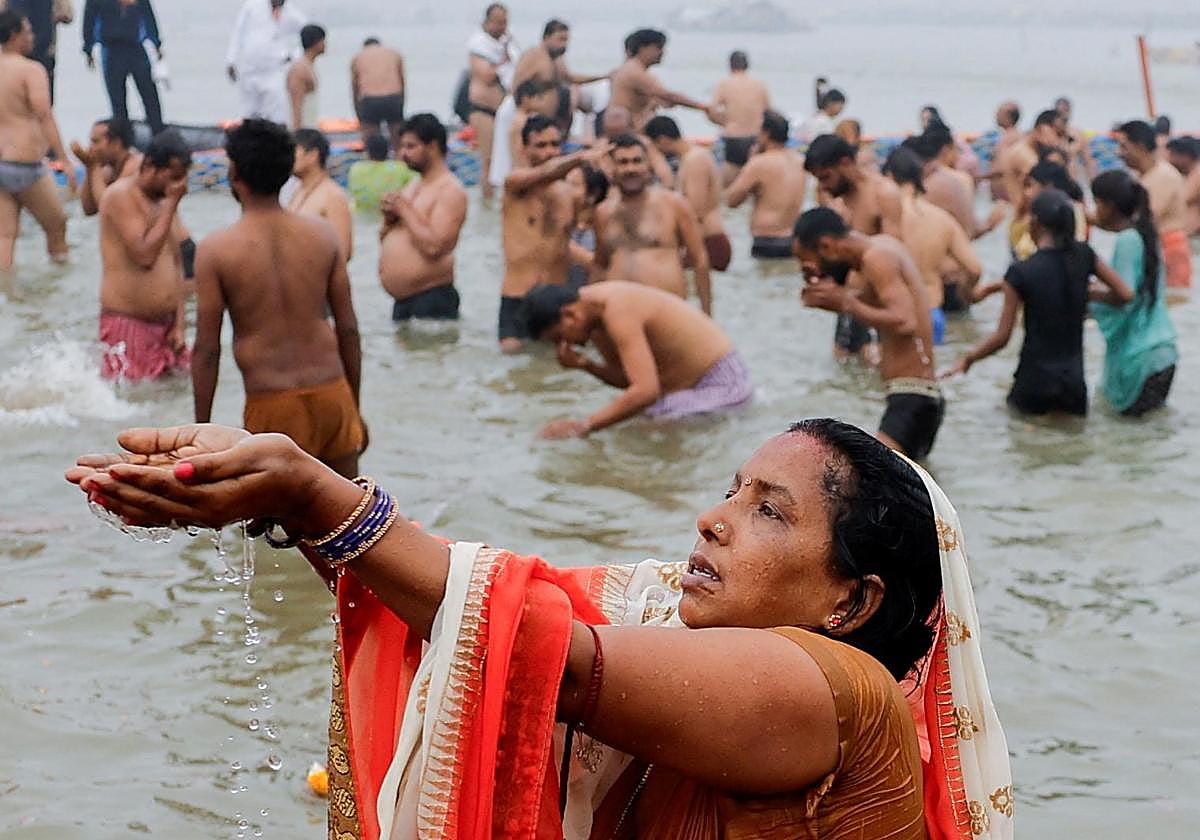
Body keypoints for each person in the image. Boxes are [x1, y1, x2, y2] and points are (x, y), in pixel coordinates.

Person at [68, 419, 1012, 840]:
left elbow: (540, 651)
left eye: (770, 511)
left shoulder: (839, 699)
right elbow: (486, 602)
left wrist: (316, 494)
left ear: (851, 603)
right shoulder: (680, 641)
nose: (713, 519)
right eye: (731, 490)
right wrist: (279, 503)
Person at [191, 119, 364, 478]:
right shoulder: (323, 236)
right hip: (334, 395)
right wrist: (355, 408)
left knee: (277, 529)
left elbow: (208, 350)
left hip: (273, 405)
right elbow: (348, 329)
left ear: (234, 174)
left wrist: (200, 430)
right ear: (287, 171)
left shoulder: (216, 250)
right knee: (347, 522)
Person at [947, 189, 1132, 417]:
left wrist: (969, 358)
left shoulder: (1021, 272)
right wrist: (1087, 293)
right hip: (1073, 386)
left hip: (1033, 382)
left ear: (1034, 223)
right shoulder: (1084, 256)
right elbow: (1124, 294)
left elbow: (1002, 338)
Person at [795, 208, 943, 460]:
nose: (816, 272)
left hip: (911, 397)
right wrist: (833, 296)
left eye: (812, 263)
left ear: (827, 246)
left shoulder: (877, 258)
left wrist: (845, 303)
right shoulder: (882, 247)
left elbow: (905, 321)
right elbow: (874, 307)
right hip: (918, 396)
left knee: (872, 487)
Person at [522, 281, 750, 436]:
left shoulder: (617, 311)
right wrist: (585, 365)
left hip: (723, 383)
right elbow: (630, 381)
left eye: (559, 338)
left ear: (569, 315)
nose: (564, 345)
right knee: (632, 424)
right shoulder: (595, 316)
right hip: (687, 389)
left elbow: (646, 392)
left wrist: (583, 426)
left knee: (641, 430)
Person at [498, 116, 608, 352]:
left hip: (558, 297)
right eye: (541, 145)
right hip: (518, 295)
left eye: (554, 144)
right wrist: (579, 158)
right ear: (524, 148)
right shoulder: (514, 183)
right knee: (511, 365)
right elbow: (547, 173)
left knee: (560, 369)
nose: (550, 151)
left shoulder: (571, 194)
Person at [97, 129, 191, 381]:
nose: (179, 186)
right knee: (136, 404)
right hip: (128, 324)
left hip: (168, 327)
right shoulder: (120, 196)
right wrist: (171, 204)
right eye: (173, 178)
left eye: (182, 178)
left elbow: (176, 263)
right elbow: (144, 256)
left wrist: (180, 323)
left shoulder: (163, 201)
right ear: (149, 166)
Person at [1089, 170, 1178, 417]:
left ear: (1110, 206)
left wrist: (1091, 294)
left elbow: (1125, 294)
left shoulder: (1127, 240)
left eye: (1096, 203)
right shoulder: (1146, 235)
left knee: (1129, 436)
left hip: (1140, 356)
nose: (1094, 211)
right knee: (1147, 438)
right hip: (1164, 351)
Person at [805, 134, 902, 359]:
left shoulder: (883, 194)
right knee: (843, 364)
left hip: (878, 301)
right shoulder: (836, 202)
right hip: (848, 300)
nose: (823, 186)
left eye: (826, 177)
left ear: (846, 163)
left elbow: (893, 254)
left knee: (875, 364)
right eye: (818, 180)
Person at [592, 135, 713, 314]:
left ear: (648, 166)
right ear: (612, 168)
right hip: (621, 314)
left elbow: (700, 259)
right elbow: (600, 265)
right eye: (623, 162)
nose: (630, 168)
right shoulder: (603, 213)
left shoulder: (674, 205)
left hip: (667, 312)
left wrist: (706, 314)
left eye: (636, 161)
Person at [883, 147, 981, 345]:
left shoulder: (883, 217)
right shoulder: (942, 219)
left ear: (889, 175)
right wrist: (966, 293)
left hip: (895, 312)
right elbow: (975, 268)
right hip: (932, 312)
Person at [0, 9, 74, 272]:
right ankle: (59, 286)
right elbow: (44, 115)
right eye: (27, 31)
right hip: (26, 164)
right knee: (57, 226)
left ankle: (6, 299)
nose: (32, 36)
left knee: (5, 237)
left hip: (1, 164)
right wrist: (64, 159)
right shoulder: (31, 69)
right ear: (14, 36)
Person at [379, 113, 468, 323]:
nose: (403, 154)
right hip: (404, 301)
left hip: (432, 298)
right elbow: (386, 239)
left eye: (411, 147)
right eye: (402, 147)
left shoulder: (450, 190)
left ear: (432, 147)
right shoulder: (412, 186)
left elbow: (435, 247)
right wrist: (389, 220)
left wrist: (404, 210)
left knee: (429, 355)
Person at [645, 115, 731, 274]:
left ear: (663, 140)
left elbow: (695, 209)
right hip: (705, 241)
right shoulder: (690, 158)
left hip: (709, 241)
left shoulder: (694, 160)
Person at [1116, 119, 1191, 297]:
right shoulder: (1139, 176)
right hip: (1150, 250)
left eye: (1124, 147)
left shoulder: (1164, 176)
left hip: (1169, 251)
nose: (1119, 153)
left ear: (1139, 147)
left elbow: (1144, 220)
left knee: (1172, 304)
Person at [726, 110, 807, 261]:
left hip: (766, 241)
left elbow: (732, 200)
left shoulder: (760, 163)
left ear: (766, 134)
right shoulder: (800, 161)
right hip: (794, 239)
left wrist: (750, 162)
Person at [509, 19, 606, 133]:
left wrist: (602, 77)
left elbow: (570, 79)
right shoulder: (533, 56)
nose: (564, 44)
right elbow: (517, 86)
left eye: (566, 40)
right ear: (546, 37)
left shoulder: (557, 58)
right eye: (560, 39)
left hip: (556, 120)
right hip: (536, 121)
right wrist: (525, 116)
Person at [82, 0, 164, 134]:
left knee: (150, 94)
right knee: (118, 100)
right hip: (111, 50)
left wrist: (156, 43)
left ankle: (158, 131)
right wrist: (88, 48)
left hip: (136, 48)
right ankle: (123, 137)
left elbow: (148, 16)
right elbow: (88, 20)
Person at [607, 28, 713, 131]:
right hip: (629, 132)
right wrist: (704, 107)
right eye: (658, 47)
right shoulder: (635, 72)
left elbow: (664, 100)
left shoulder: (632, 70)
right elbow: (670, 96)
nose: (662, 52)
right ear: (642, 48)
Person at [466, 2, 518, 199]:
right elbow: (487, 75)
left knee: (505, 160)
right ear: (487, 22)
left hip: (505, 110)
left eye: (504, 22)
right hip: (483, 109)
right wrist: (504, 58)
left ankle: (502, 201)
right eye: (497, 22)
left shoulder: (509, 44)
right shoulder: (478, 45)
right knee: (487, 160)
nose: (502, 27)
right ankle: (486, 202)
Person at [225, 0, 307, 124]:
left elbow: (308, 33)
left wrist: (294, 55)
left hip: (274, 70)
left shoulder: (292, 13)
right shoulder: (252, 6)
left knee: (275, 112)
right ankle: (249, 141)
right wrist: (231, 60)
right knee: (249, 112)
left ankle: (274, 140)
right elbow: (238, 33)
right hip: (250, 68)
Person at [288, 128, 352, 262]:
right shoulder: (298, 192)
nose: (287, 159)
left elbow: (343, 252)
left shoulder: (333, 195)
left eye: (292, 152)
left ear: (312, 155)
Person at [995, 109, 1062, 228]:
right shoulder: (1024, 155)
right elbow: (1044, 186)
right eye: (1056, 133)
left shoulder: (1030, 150)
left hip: (1025, 221)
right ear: (1042, 128)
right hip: (1025, 223)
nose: (1057, 140)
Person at [1009, 159, 1086, 261]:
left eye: (1030, 185)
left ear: (1048, 187)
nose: (1026, 193)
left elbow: (1024, 251)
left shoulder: (1072, 211)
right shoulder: (1030, 211)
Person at [712, 50, 770, 186]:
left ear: (730, 65)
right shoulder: (759, 85)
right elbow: (769, 113)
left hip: (734, 138)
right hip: (755, 138)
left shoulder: (725, 84)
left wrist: (724, 123)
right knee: (755, 182)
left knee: (729, 184)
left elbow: (712, 110)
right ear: (747, 65)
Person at [489, 77, 556, 188]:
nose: (543, 102)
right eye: (539, 98)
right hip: (514, 176)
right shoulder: (521, 122)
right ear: (526, 99)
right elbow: (519, 153)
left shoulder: (517, 118)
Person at [8, 0, 73, 102]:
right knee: (40, 103)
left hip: (17, 54)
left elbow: (66, 14)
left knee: (16, 103)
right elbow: (66, 13)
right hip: (40, 53)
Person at [351, 37, 405, 151]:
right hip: (393, 97)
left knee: (371, 139)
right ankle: (400, 160)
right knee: (397, 139)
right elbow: (402, 82)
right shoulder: (394, 54)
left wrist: (359, 114)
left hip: (370, 99)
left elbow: (355, 88)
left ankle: (373, 160)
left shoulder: (358, 57)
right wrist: (401, 103)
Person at [347, 132, 415, 212]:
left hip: (362, 216)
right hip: (395, 214)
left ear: (367, 152)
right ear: (388, 151)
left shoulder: (356, 168)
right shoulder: (401, 168)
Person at [286, 23, 324, 129]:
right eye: (323, 40)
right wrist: (298, 135)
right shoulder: (299, 69)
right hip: (303, 131)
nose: (325, 44)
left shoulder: (309, 65)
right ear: (316, 42)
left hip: (311, 128)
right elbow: (296, 104)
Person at [1165, 136, 1200, 236]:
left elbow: (1181, 199)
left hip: (1193, 236)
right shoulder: (1187, 174)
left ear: (1185, 156)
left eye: (1173, 154)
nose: (1170, 159)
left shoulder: (1197, 173)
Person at [986, 101, 1021, 200]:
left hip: (1006, 196)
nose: (996, 115)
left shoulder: (1009, 138)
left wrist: (978, 177)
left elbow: (1001, 167)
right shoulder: (1008, 136)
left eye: (999, 113)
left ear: (1008, 117)